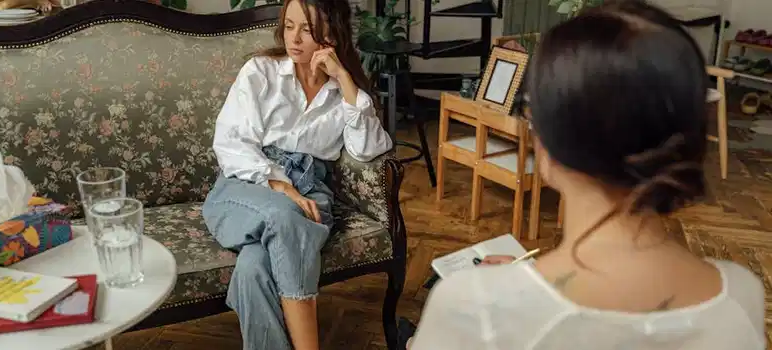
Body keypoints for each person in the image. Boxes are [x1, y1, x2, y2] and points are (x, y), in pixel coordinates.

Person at [407, 1, 766, 349]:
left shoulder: (471, 306)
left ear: (544, 136)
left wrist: (498, 295)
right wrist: (523, 281)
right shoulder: (742, 294)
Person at [201, 0, 392, 348]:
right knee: (284, 215)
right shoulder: (261, 72)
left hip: (312, 188)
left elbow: (368, 148)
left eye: (307, 28)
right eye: (289, 26)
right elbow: (231, 143)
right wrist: (282, 187)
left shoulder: (341, 93)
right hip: (245, 186)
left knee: (254, 268)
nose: (295, 37)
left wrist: (345, 79)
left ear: (331, 32)